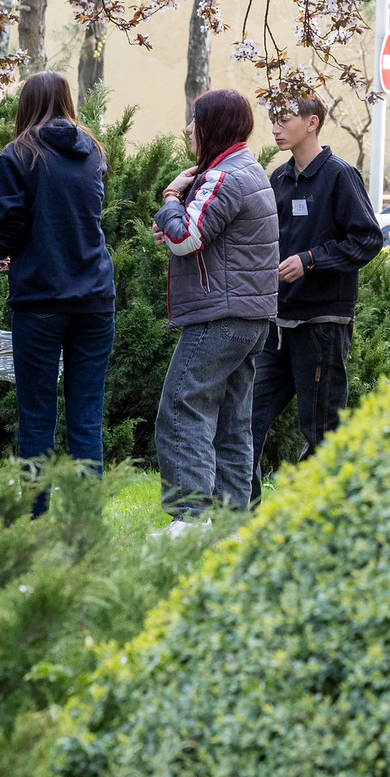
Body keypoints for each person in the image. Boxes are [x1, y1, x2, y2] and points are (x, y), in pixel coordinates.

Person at [150, 88, 278, 523]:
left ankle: (189, 521)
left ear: (214, 126)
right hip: (250, 317)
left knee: (180, 409)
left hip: (219, 317)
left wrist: (171, 199)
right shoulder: (249, 170)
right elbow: (197, 233)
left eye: (196, 120)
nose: (189, 128)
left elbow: (185, 238)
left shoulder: (222, 177)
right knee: (231, 422)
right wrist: (174, 222)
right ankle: (230, 524)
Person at [249, 95, 384, 502]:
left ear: (312, 123)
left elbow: (368, 240)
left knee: (323, 432)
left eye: (284, 119)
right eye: (272, 119)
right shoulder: (278, 179)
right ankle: (238, 517)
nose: (275, 128)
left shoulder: (340, 175)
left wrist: (310, 260)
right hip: (277, 327)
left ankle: (319, 516)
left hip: (323, 326)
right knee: (243, 419)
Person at [0, 72, 117, 489]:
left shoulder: (16, 156)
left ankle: (35, 519)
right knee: (87, 417)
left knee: (37, 417)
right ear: (66, 101)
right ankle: (85, 520)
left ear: (25, 105)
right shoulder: (93, 153)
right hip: (95, 297)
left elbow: (8, 224)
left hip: (40, 298)